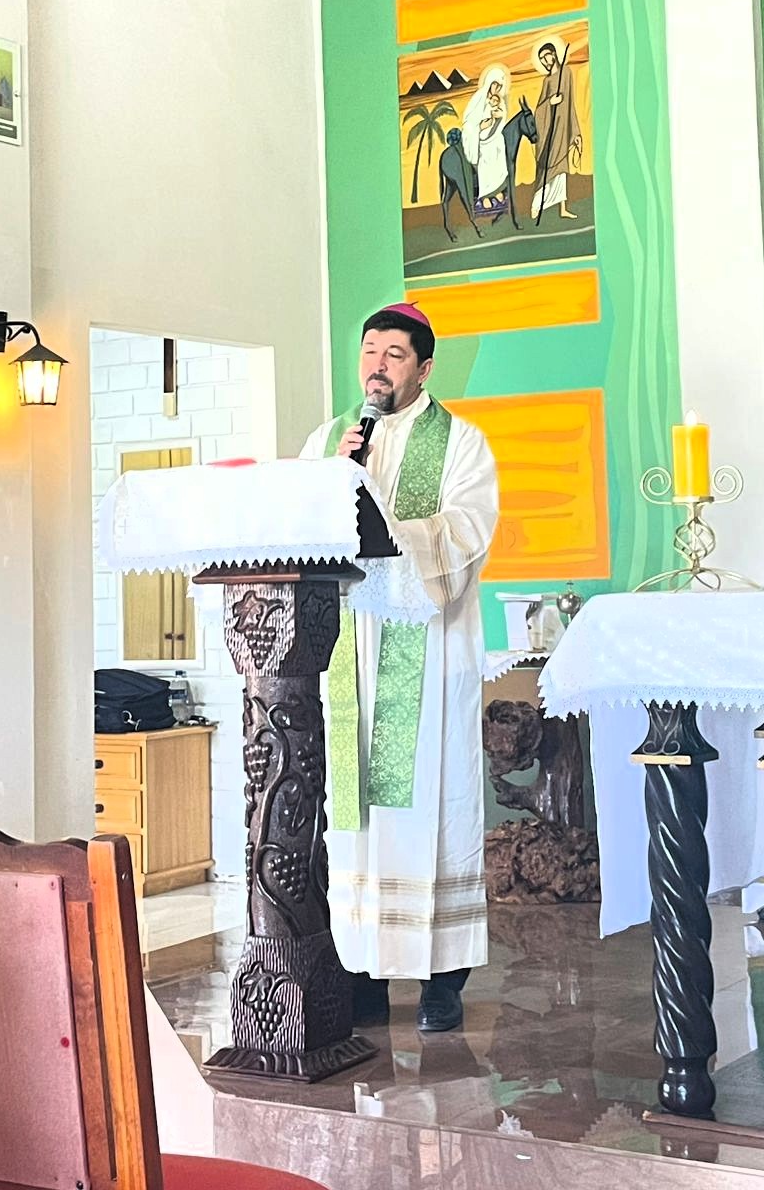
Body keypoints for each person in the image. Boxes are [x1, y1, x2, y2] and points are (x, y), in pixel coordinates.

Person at [300, 304, 499, 1033]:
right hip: (349, 653)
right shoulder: (331, 439)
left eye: (394, 354)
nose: (377, 365)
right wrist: (335, 478)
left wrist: (385, 521)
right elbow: (299, 524)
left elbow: (467, 530)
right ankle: (361, 971)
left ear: (424, 368)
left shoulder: (461, 443)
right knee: (355, 819)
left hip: (427, 652)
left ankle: (444, 978)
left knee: (433, 808)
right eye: (369, 351)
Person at [531, 40, 583, 221]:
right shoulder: (547, 81)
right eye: (541, 59)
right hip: (550, 132)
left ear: (553, 54)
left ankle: (563, 208)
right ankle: (537, 205)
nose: (545, 61)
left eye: (546, 56)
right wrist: (550, 103)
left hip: (563, 129)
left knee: (561, 169)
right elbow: (538, 110)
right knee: (547, 167)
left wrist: (575, 132)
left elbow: (570, 104)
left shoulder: (566, 73)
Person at [461, 64, 510, 212]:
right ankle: (485, 195)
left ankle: (497, 190)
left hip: (494, 136)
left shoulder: (499, 100)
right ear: (489, 82)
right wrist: (480, 127)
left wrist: (500, 116)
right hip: (480, 139)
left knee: (499, 148)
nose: (497, 88)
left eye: (499, 86)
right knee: (486, 157)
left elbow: (503, 117)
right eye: (495, 84)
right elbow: (468, 123)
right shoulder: (478, 98)